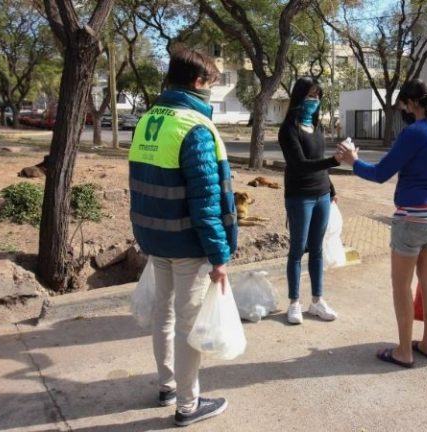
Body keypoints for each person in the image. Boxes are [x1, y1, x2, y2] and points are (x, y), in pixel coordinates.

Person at [128, 45, 237, 427]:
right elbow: (206, 202)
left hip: (155, 239)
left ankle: (167, 385)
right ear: (198, 81)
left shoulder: (147, 120)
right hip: (188, 244)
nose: (212, 91)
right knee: (188, 324)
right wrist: (220, 256)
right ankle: (188, 406)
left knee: (164, 312)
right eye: (211, 83)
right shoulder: (194, 127)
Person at [336, 79, 427, 368]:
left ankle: (404, 351)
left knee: (401, 285)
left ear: (410, 102)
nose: (402, 110)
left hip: (412, 218)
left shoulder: (414, 133)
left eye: (403, 105)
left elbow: (380, 173)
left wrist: (353, 161)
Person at [278, 76, 340, 325]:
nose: (314, 101)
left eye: (317, 97)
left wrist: (332, 188)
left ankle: (317, 301)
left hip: (322, 195)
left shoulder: (317, 128)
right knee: (297, 250)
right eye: (310, 96)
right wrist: (335, 161)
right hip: (299, 196)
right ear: (298, 98)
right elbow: (301, 165)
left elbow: (319, 161)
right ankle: (294, 302)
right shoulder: (288, 130)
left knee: (317, 250)